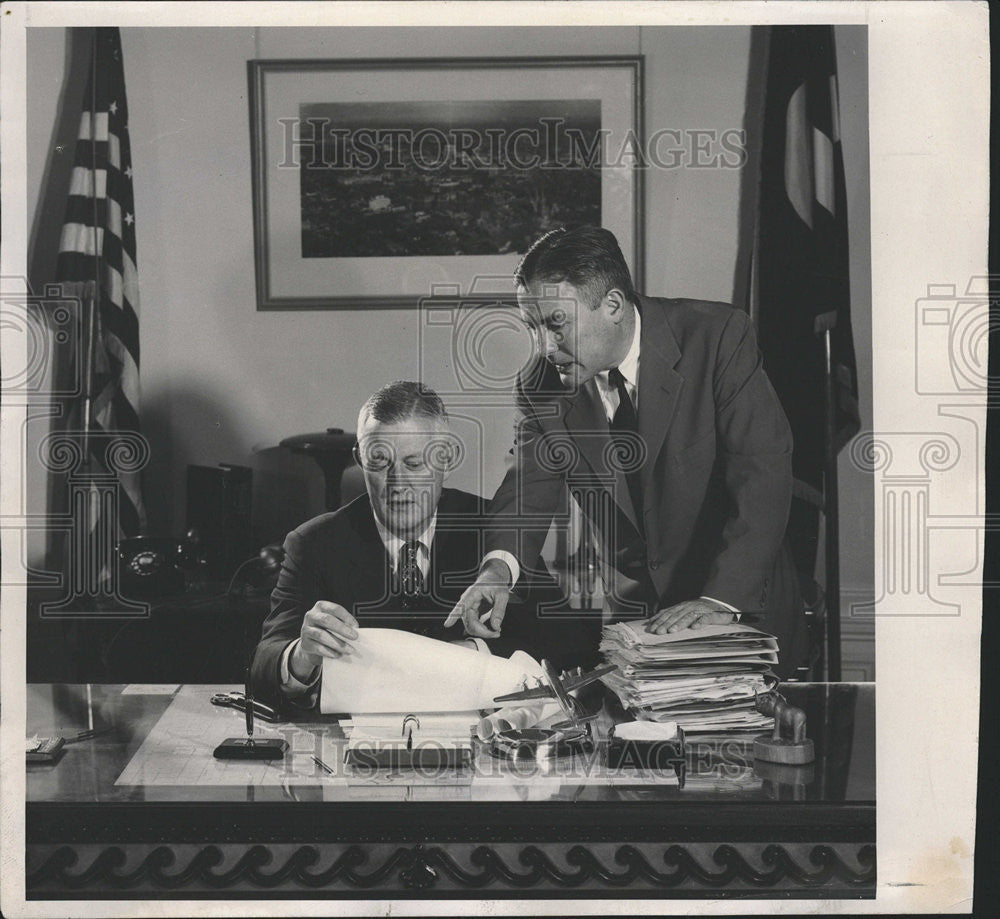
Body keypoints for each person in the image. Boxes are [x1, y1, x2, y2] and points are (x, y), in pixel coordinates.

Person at [444, 225, 807, 678]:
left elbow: (763, 475)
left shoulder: (716, 338)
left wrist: (721, 600)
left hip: (739, 604)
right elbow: (528, 488)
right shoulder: (540, 384)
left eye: (556, 325)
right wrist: (498, 569)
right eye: (533, 327)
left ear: (612, 305)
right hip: (638, 622)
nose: (544, 347)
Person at [251, 381, 543, 710]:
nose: (397, 484)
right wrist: (302, 656)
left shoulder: (497, 533)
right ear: (359, 459)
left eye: (413, 464)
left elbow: (564, 642)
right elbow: (265, 663)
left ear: (445, 458)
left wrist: (475, 652)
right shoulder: (313, 543)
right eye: (379, 463)